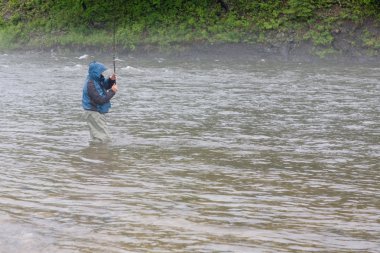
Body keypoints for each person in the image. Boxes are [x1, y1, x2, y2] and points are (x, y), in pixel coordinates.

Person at [82, 61, 118, 143]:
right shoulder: (90, 84)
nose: (102, 73)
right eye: (100, 71)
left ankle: (95, 153)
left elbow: (104, 85)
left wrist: (111, 80)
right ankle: (101, 154)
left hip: (94, 112)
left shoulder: (96, 79)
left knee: (97, 137)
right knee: (104, 138)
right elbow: (100, 100)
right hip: (94, 112)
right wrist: (112, 92)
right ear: (95, 72)